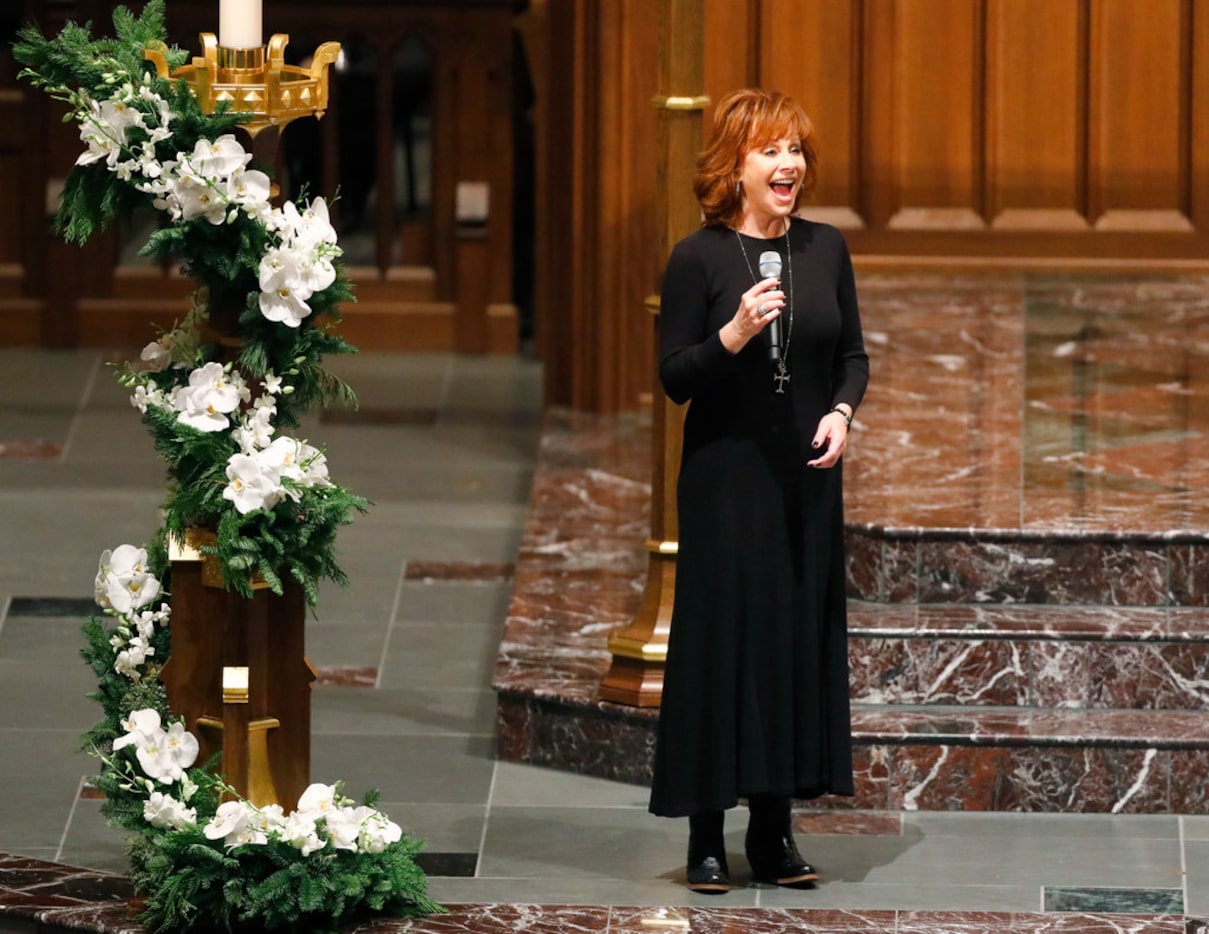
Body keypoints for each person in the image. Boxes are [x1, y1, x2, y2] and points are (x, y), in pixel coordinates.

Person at [648, 88, 869, 893]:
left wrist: (842, 412)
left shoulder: (825, 248)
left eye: (796, 152)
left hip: (802, 483)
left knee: (787, 646)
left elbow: (851, 354)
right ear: (733, 167)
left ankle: (773, 832)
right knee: (721, 646)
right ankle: (707, 834)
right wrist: (732, 335)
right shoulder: (697, 259)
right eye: (771, 152)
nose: (789, 166)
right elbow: (674, 378)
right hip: (724, 482)